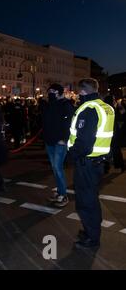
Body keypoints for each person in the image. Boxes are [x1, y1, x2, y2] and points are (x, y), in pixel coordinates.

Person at [67, 78, 115, 250]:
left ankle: (92, 238)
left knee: (86, 202)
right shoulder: (106, 107)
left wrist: (70, 155)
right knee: (91, 199)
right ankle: (90, 231)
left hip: (86, 162)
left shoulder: (88, 109)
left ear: (82, 92)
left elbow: (85, 142)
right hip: (98, 162)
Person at [43, 84, 75, 207]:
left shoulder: (66, 104)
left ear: (60, 92)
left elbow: (69, 123)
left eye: (53, 91)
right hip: (50, 141)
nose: (51, 93)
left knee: (58, 167)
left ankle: (63, 195)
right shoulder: (50, 105)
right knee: (55, 168)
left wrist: (64, 139)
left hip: (60, 142)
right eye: (49, 91)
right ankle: (60, 192)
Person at [104, 95, 124, 173]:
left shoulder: (105, 108)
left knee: (107, 150)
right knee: (115, 150)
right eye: (113, 99)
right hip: (113, 132)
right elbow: (121, 116)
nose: (114, 101)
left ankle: (106, 167)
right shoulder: (113, 109)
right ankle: (119, 165)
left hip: (107, 132)